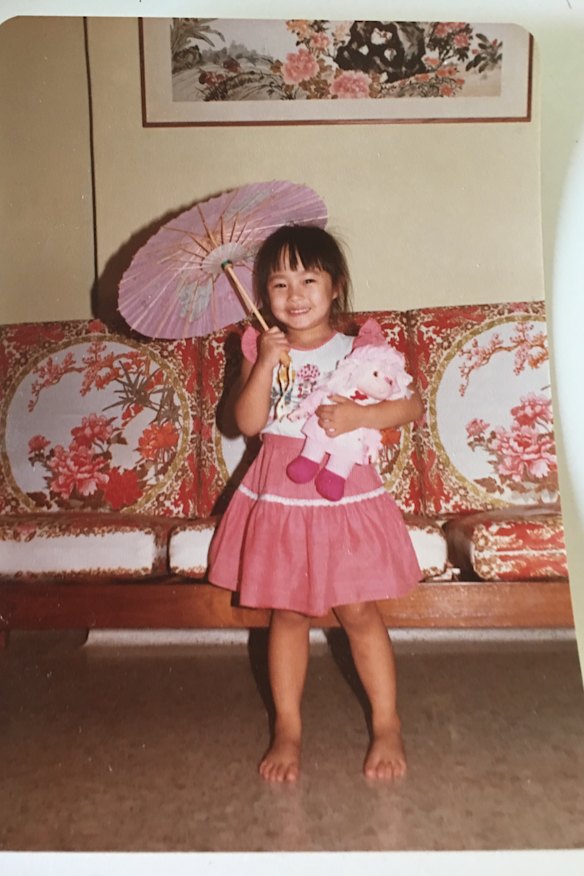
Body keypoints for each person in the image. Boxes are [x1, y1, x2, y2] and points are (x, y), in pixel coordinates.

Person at [207, 224, 423, 783]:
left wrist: (360, 417)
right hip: (280, 489)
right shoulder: (261, 345)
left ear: (335, 287)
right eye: (279, 284)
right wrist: (261, 365)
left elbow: (409, 407)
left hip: (342, 494)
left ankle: (386, 722)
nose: (294, 294)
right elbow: (247, 423)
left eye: (308, 279)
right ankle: (288, 727)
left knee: (357, 610)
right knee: (289, 612)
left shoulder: (360, 349)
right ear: (264, 297)